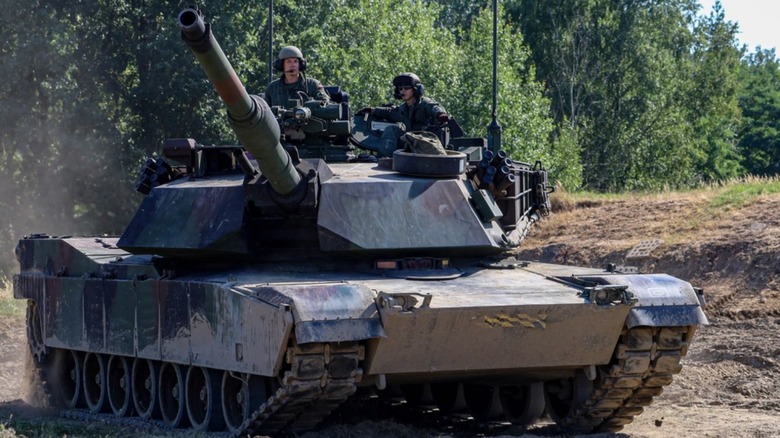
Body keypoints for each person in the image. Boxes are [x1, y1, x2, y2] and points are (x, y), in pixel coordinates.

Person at [358, 72, 449, 156]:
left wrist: (440, 114)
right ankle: (385, 159)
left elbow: (435, 107)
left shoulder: (424, 103)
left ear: (416, 89)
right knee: (391, 129)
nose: (403, 91)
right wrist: (372, 110)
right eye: (400, 89)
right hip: (410, 143)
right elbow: (389, 112)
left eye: (407, 88)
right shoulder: (403, 109)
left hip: (426, 143)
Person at [264, 46, 330, 108]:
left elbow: (324, 104)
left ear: (300, 65)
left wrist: (312, 106)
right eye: (289, 62)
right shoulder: (273, 88)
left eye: (296, 61)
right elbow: (265, 111)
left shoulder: (312, 85)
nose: (293, 65)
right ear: (281, 65)